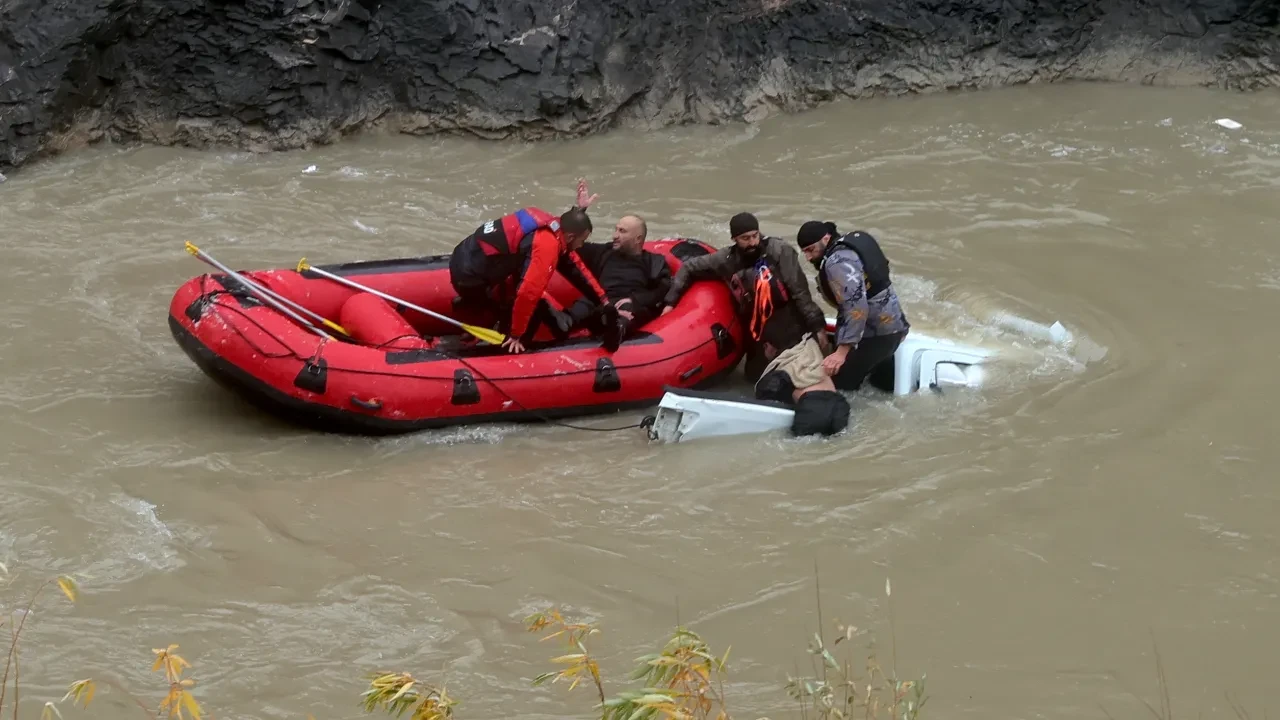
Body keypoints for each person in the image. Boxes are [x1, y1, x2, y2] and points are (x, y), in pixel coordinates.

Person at [660, 212, 829, 382]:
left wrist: (818, 327)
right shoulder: (725, 259)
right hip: (757, 326)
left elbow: (800, 292)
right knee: (754, 377)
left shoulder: (779, 250)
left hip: (789, 319)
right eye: (745, 238)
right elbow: (688, 267)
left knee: (802, 374)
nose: (752, 242)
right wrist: (670, 302)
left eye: (755, 236)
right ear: (734, 239)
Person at [448, 198, 610, 354]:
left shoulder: (544, 220)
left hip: (462, 256)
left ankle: (475, 304)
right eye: (582, 241)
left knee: (519, 275)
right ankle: (502, 338)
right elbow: (527, 294)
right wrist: (516, 335)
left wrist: (603, 300)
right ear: (570, 237)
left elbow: (575, 265)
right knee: (530, 305)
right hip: (470, 278)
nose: (581, 245)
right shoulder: (546, 245)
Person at [556, 180, 672, 351]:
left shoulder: (654, 262)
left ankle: (615, 331)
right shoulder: (603, 252)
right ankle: (552, 333)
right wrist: (580, 210)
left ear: (638, 239)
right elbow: (566, 241)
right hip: (599, 302)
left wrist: (635, 299)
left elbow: (663, 290)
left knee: (627, 311)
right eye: (616, 229)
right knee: (581, 308)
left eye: (622, 231)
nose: (614, 235)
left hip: (627, 303)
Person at [795, 220, 910, 391]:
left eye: (811, 250)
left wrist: (841, 353)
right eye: (804, 252)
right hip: (895, 326)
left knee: (837, 386)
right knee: (878, 383)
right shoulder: (849, 245)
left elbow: (856, 306)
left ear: (826, 239)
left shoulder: (836, 262)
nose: (809, 257)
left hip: (874, 335)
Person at [753, 333, 850, 437]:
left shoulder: (782, 371)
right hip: (840, 406)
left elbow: (764, 394)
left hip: (813, 407)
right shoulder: (813, 355)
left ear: (767, 346)